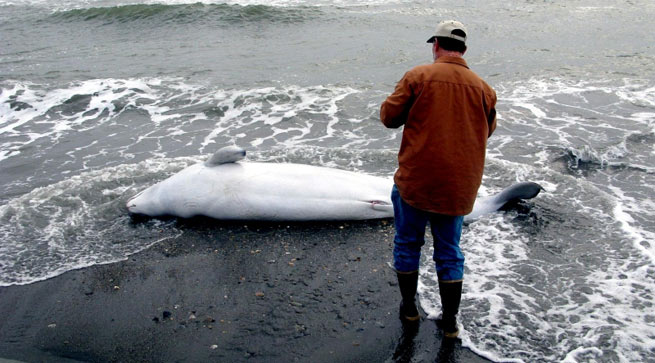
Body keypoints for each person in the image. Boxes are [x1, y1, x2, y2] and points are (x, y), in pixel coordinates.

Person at [380, 20, 497, 338]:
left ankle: (410, 309)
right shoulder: (484, 88)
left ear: (436, 45)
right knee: (449, 251)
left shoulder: (418, 76)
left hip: (416, 182)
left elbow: (389, 118)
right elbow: (488, 130)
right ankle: (450, 322)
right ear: (464, 50)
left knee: (408, 244)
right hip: (457, 186)